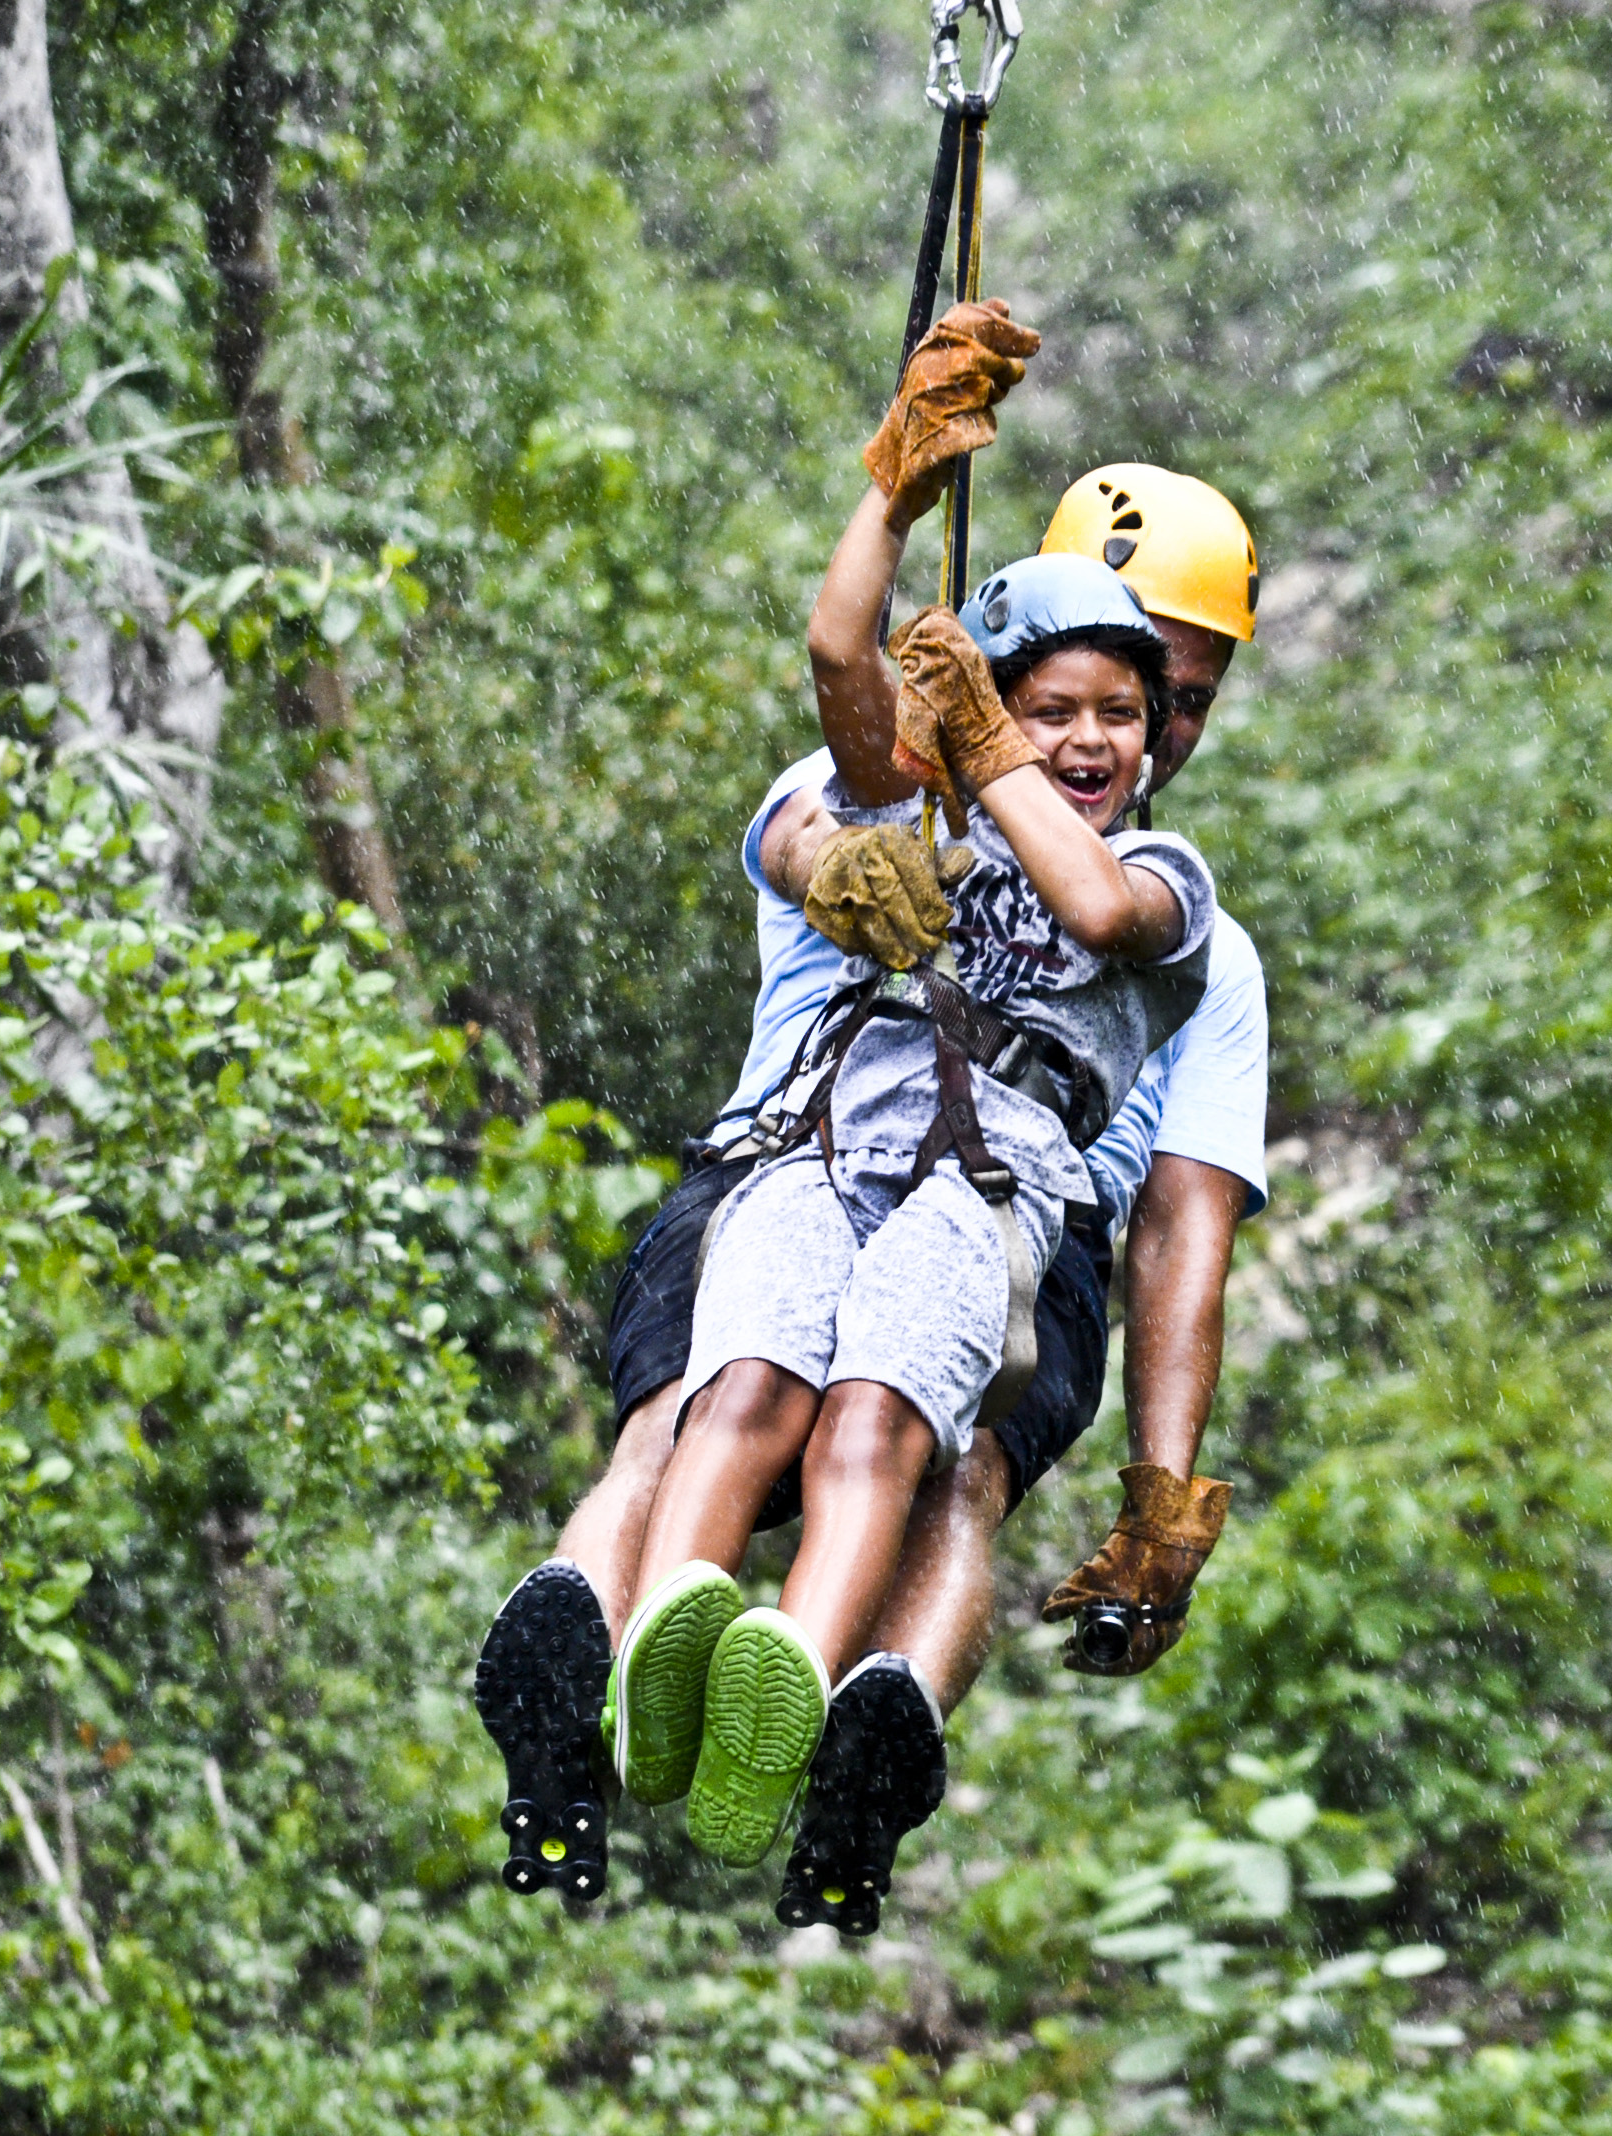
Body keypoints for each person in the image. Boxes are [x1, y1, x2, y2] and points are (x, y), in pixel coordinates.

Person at [474, 307, 1265, 1920]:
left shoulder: (1181, 911)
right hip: (805, 1145)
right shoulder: (911, 773)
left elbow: (1182, 1214)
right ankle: (608, 1677)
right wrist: (897, 503)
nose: (1136, 731)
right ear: (1025, 659)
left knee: (930, 1444)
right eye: (1109, 688)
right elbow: (809, 790)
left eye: (1169, 700)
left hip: (1014, 1209)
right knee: (709, 1403)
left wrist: (1166, 1491)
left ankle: (844, 1743)